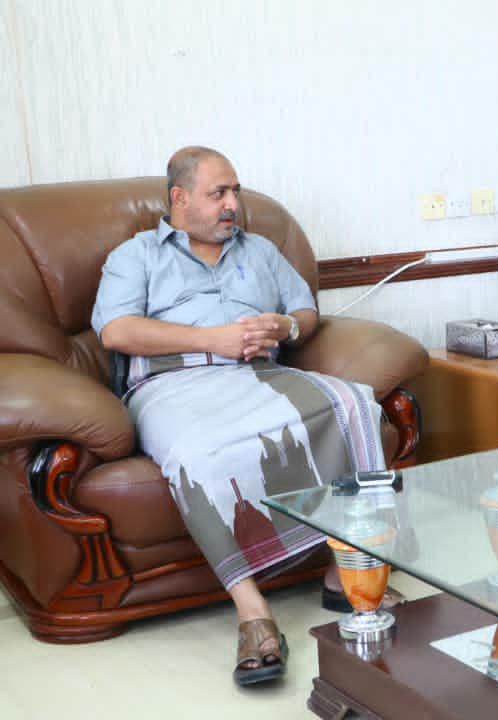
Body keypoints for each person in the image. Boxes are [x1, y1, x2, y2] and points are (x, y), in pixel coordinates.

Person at [91, 146, 387, 686]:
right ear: (179, 198)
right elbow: (116, 331)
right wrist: (212, 339)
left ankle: (344, 567)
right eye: (218, 193)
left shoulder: (261, 250)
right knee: (196, 454)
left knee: (354, 403)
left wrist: (285, 328)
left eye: (235, 192)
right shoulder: (136, 256)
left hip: (258, 374)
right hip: (170, 383)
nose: (232, 204)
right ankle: (252, 611)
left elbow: (305, 311)